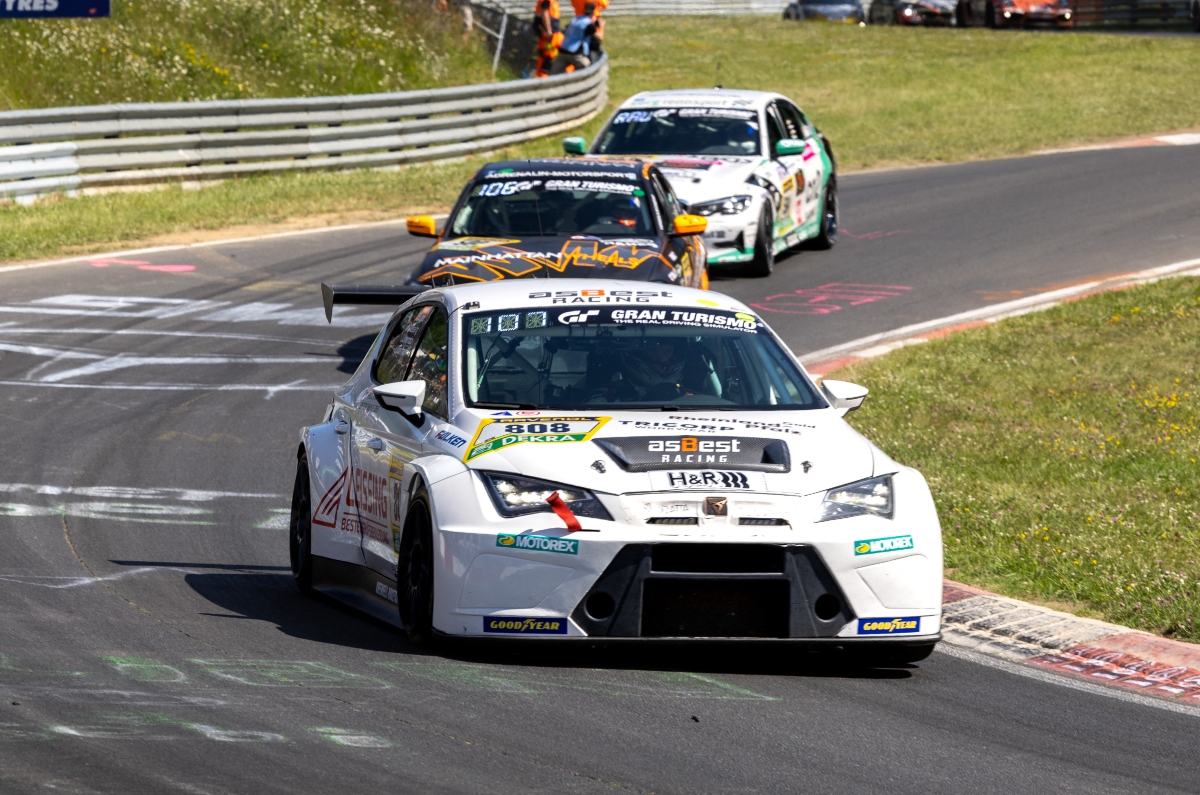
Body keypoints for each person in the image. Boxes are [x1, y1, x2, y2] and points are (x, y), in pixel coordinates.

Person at [550, 2, 598, 75]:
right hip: (575, 53)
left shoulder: (574, 19)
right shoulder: (588, 24)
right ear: (593, 13)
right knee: (589, 71)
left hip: (563, 50)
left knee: (554, 75)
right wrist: (601, 25)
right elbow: (599, 37)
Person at [529, 0, 563, 79]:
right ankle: (542, 79)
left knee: (547, 57)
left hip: (552, 33)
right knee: (547, 57)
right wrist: (548, 30)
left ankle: (542, 76)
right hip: (550, 34)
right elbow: (544, 12)